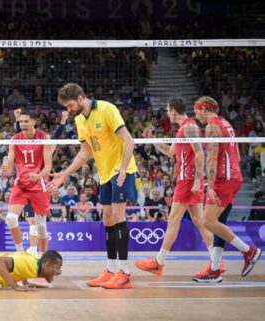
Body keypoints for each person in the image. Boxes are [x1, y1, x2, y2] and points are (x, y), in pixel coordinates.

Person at [50, 83, 138, 289]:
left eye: (70, 105)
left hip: (122, 171)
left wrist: (124, 167)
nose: (68, 110)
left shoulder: (107, 109)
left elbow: (129, 140)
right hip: (105, 175)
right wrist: (64, 174)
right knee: (107, 219)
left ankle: (124, 273)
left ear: (80, 99)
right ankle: (111, 269)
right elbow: (85, 153)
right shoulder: (80, 120)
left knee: (118, 216)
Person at [135, 98, 223, 276]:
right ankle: (217, 262)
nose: (167, 114)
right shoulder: (183, 129)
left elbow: (200, 154)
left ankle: (158, 262)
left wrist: (198, 181)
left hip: (188, 180)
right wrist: (152, 140)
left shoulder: (189, 127)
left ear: (174, 110)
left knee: (173, 220)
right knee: (199, 221)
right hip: (188, 180)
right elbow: (170, 152)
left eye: (168, 110)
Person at [192, 96, 262, 282]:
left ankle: (249, 251)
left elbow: (212, 158)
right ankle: (214, 270)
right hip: (233, 176)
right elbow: (237, 154)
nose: (196, 114)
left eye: (197, 110)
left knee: (207, 221)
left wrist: (212, 185)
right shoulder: (226, 123)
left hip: (224, 178)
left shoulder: (213, 126)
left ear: (204, 109)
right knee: (218, 222)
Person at [3, 108, 54, 256]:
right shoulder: (14, 140)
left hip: (39, 183)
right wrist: (6, 168)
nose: (23, 124)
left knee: (41, 227)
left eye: (26, 121)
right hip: (22, 184)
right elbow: (10, 167)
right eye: (20, 121)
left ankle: (43, 257)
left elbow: (48, 166)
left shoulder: (44, 138)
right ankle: (20, 252)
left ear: (34, 122)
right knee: (11, 218)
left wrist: (38, 176)